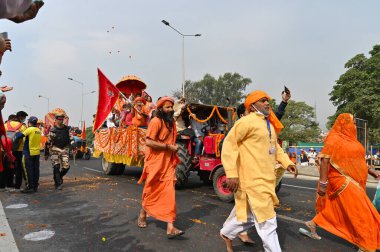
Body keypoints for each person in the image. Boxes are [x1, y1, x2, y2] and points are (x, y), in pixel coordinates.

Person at [220, 90, 297, 252]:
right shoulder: (245, 122)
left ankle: (226, 232)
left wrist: (287, 162)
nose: (268, 103)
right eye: (263, 101)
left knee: (249, 216)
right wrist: (232, 174)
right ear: (253, 106)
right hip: (252, 180)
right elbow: (229, 145)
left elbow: (274, 147)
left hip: (267, 179)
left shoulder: (267, 123)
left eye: (268, 100)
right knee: (268, 222)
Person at [300, 113, 380, 252]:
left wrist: (371, 171)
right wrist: (323, 184)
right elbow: (324, 160)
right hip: (341, 181)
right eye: (353, 122)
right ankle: (365, 243)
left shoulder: (352, 140)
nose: (354, 125)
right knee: (361, 211)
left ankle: (313, 223)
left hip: (355, 180)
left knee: (334, 209)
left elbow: (354, 161)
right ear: (344, 123)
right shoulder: (334, 139)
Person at [137, 96, 185, 239]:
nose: (170, 110)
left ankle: (170, 226)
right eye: (167, 107)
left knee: (169, 191)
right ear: (160, 109)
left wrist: (172, 149)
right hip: (155, 162)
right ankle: (143, 213)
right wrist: (168, 147)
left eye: (171, 107)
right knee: (151, 189)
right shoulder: (156, 122)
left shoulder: (172, 123)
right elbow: (149, 143)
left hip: (168, 163)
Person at [44, 113, 73, 190]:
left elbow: (71, 139)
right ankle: (57, 183)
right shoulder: (53, 130)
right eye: (59, 119)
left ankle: (59, 176)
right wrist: (46, 153)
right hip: (55, 149)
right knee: (56, 166)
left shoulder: (67, 129)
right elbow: (48, 142)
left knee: (66, 167)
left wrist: (73, 146)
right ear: (56, 120)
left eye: (62, 119)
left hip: (65, 148)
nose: (60, 120)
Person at [14, 116, 41, 193]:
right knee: (35, 170)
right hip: (36, 153)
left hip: (28, 152)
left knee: (27, 170)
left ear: (29, 123)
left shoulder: (29, 129)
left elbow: (19, 136)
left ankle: (30, 187)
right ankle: (35, 185)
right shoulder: (38, 130)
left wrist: (17, 132)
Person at [4, 110, 28, 191]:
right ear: (20, 117)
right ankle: (17, 186)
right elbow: (25, 139)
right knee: (18, 168)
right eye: (24, 117)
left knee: (8, 166)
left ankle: (8, 184)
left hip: (7, 149)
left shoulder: (5, 125)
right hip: (19, 150)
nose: (24, 119)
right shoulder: (23, 126)